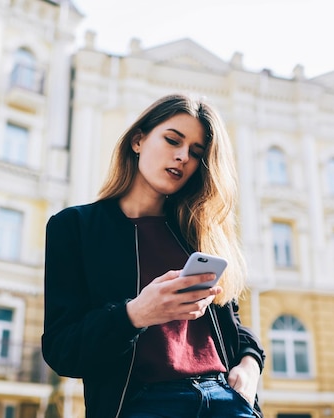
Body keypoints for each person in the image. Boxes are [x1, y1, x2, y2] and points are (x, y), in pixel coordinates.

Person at [42, 93, 265, 418]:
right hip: (144, 403)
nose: (182, 157)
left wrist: (250, 368)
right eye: (173, 140)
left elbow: (234, 326)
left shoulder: (196, 233)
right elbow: (62, 350)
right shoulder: (74, 227)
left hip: (225, 400)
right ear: (137, 140)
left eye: (196, 153)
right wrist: (136, 315)